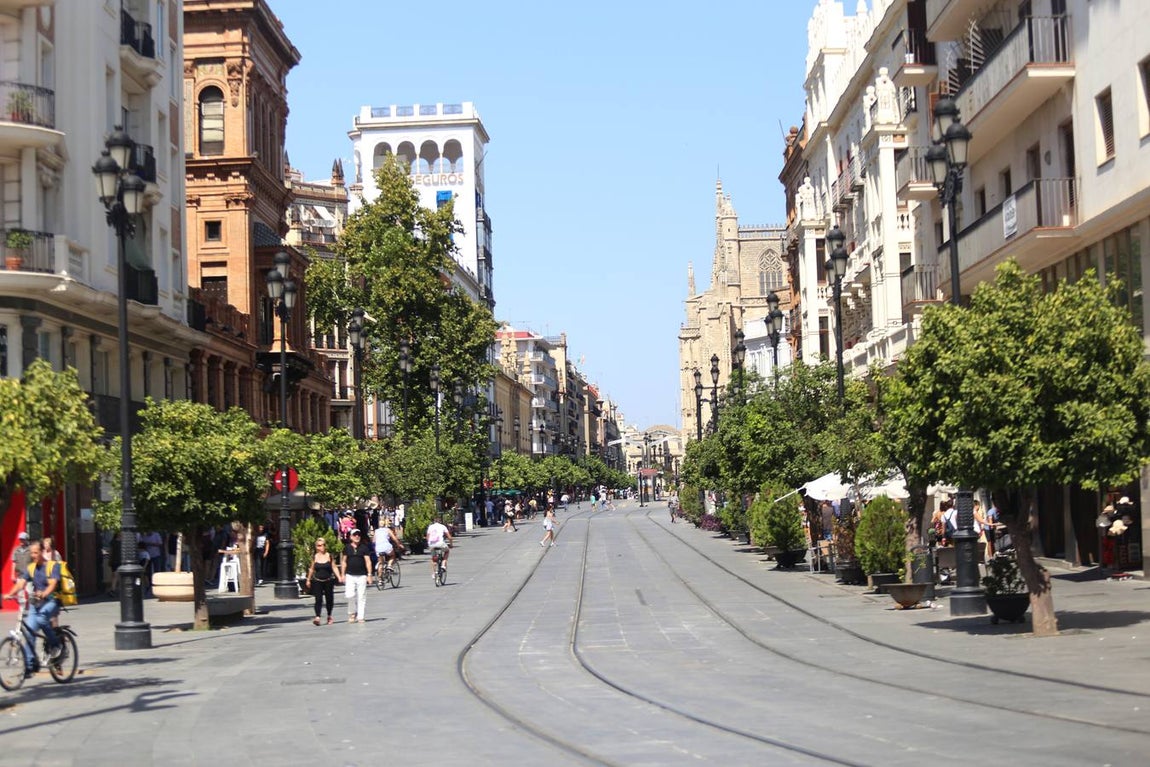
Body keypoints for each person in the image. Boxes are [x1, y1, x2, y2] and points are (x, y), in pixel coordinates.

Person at [3, 541, 62, 677]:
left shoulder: (52, 566)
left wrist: (44, 593)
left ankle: (55, 644)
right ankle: (30, 666)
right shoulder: (31, 568)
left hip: (51, 601)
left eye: (35, 552)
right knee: (29, 631)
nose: (33, 555)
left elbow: (52, 584)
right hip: (36, 603)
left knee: (41, 618)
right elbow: (21, 583)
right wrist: (10, 594)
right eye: (31, 553)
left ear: (42, 552)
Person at [304, 537, 341, 625]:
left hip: (328, 580)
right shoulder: (315, 557)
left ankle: (329, 615)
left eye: (323, 545)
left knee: (329, 599)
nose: (322, 547)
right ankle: (317, 617)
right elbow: (311, 569)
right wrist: (308, 579)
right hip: (317, 580)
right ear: (316, 547)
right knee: (318, 599)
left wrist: (339, 576)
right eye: (320, 545)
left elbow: (334, 567)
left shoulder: (329, 556)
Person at [342, 529, 372, 623]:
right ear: (351, 537)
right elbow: (343, 561)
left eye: (358, 535)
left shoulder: (364, 548)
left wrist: (369, 574)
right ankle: (352, 612)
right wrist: (342, 574)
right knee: (349, 595)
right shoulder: (347, 548)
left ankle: (360, 616)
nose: (357, 536)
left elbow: (368, 561)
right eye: (355, 535)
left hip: (362, 575)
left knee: (361, 595)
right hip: (350, 575)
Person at [426, 515, 453, 580]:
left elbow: (427, 537)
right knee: (447, 551)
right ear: (440, 521)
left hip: (432, 544)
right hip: (440, 543)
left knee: (434, 558)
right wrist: (451, 544)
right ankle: (443, 564)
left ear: (434, 521)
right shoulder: (443, 526)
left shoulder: (430, 527)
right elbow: (449, 537)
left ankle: (434, 573)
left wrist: (429, 544)